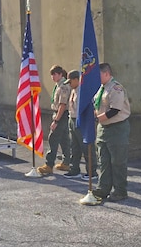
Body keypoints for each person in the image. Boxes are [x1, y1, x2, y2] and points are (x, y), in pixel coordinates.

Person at [80, 63, 131, 206]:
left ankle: (120, 190)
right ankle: (103, 188)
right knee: (104, 160)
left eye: (99, 75)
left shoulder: (116, 88)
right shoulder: (101, 89)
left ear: (107, 73)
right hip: (103, 128)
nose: (97, 77)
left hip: (117, 129)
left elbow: (115, 110)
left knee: (118, 161)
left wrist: (97, 118)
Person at [37, 65, 72, 176]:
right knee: (64, 139)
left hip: (61, 115)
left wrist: (56, 120)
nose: (52, 77)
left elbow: (62, 105)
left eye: (55, 74)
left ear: (60, 74)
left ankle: (49, 164)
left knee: (53, 138)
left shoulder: (63, 87)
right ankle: (66, 162)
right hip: (60, 114)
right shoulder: (59, 86)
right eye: (52, 74)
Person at [63, 70, 88, 179]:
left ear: (77, 80)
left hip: (81, 120)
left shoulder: (84, 91)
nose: (69, 84)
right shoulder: (74, 90)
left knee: (86, 147)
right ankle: (75, 169)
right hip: (72, 119)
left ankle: (92, 171)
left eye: (71, 81)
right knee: (74, 147)